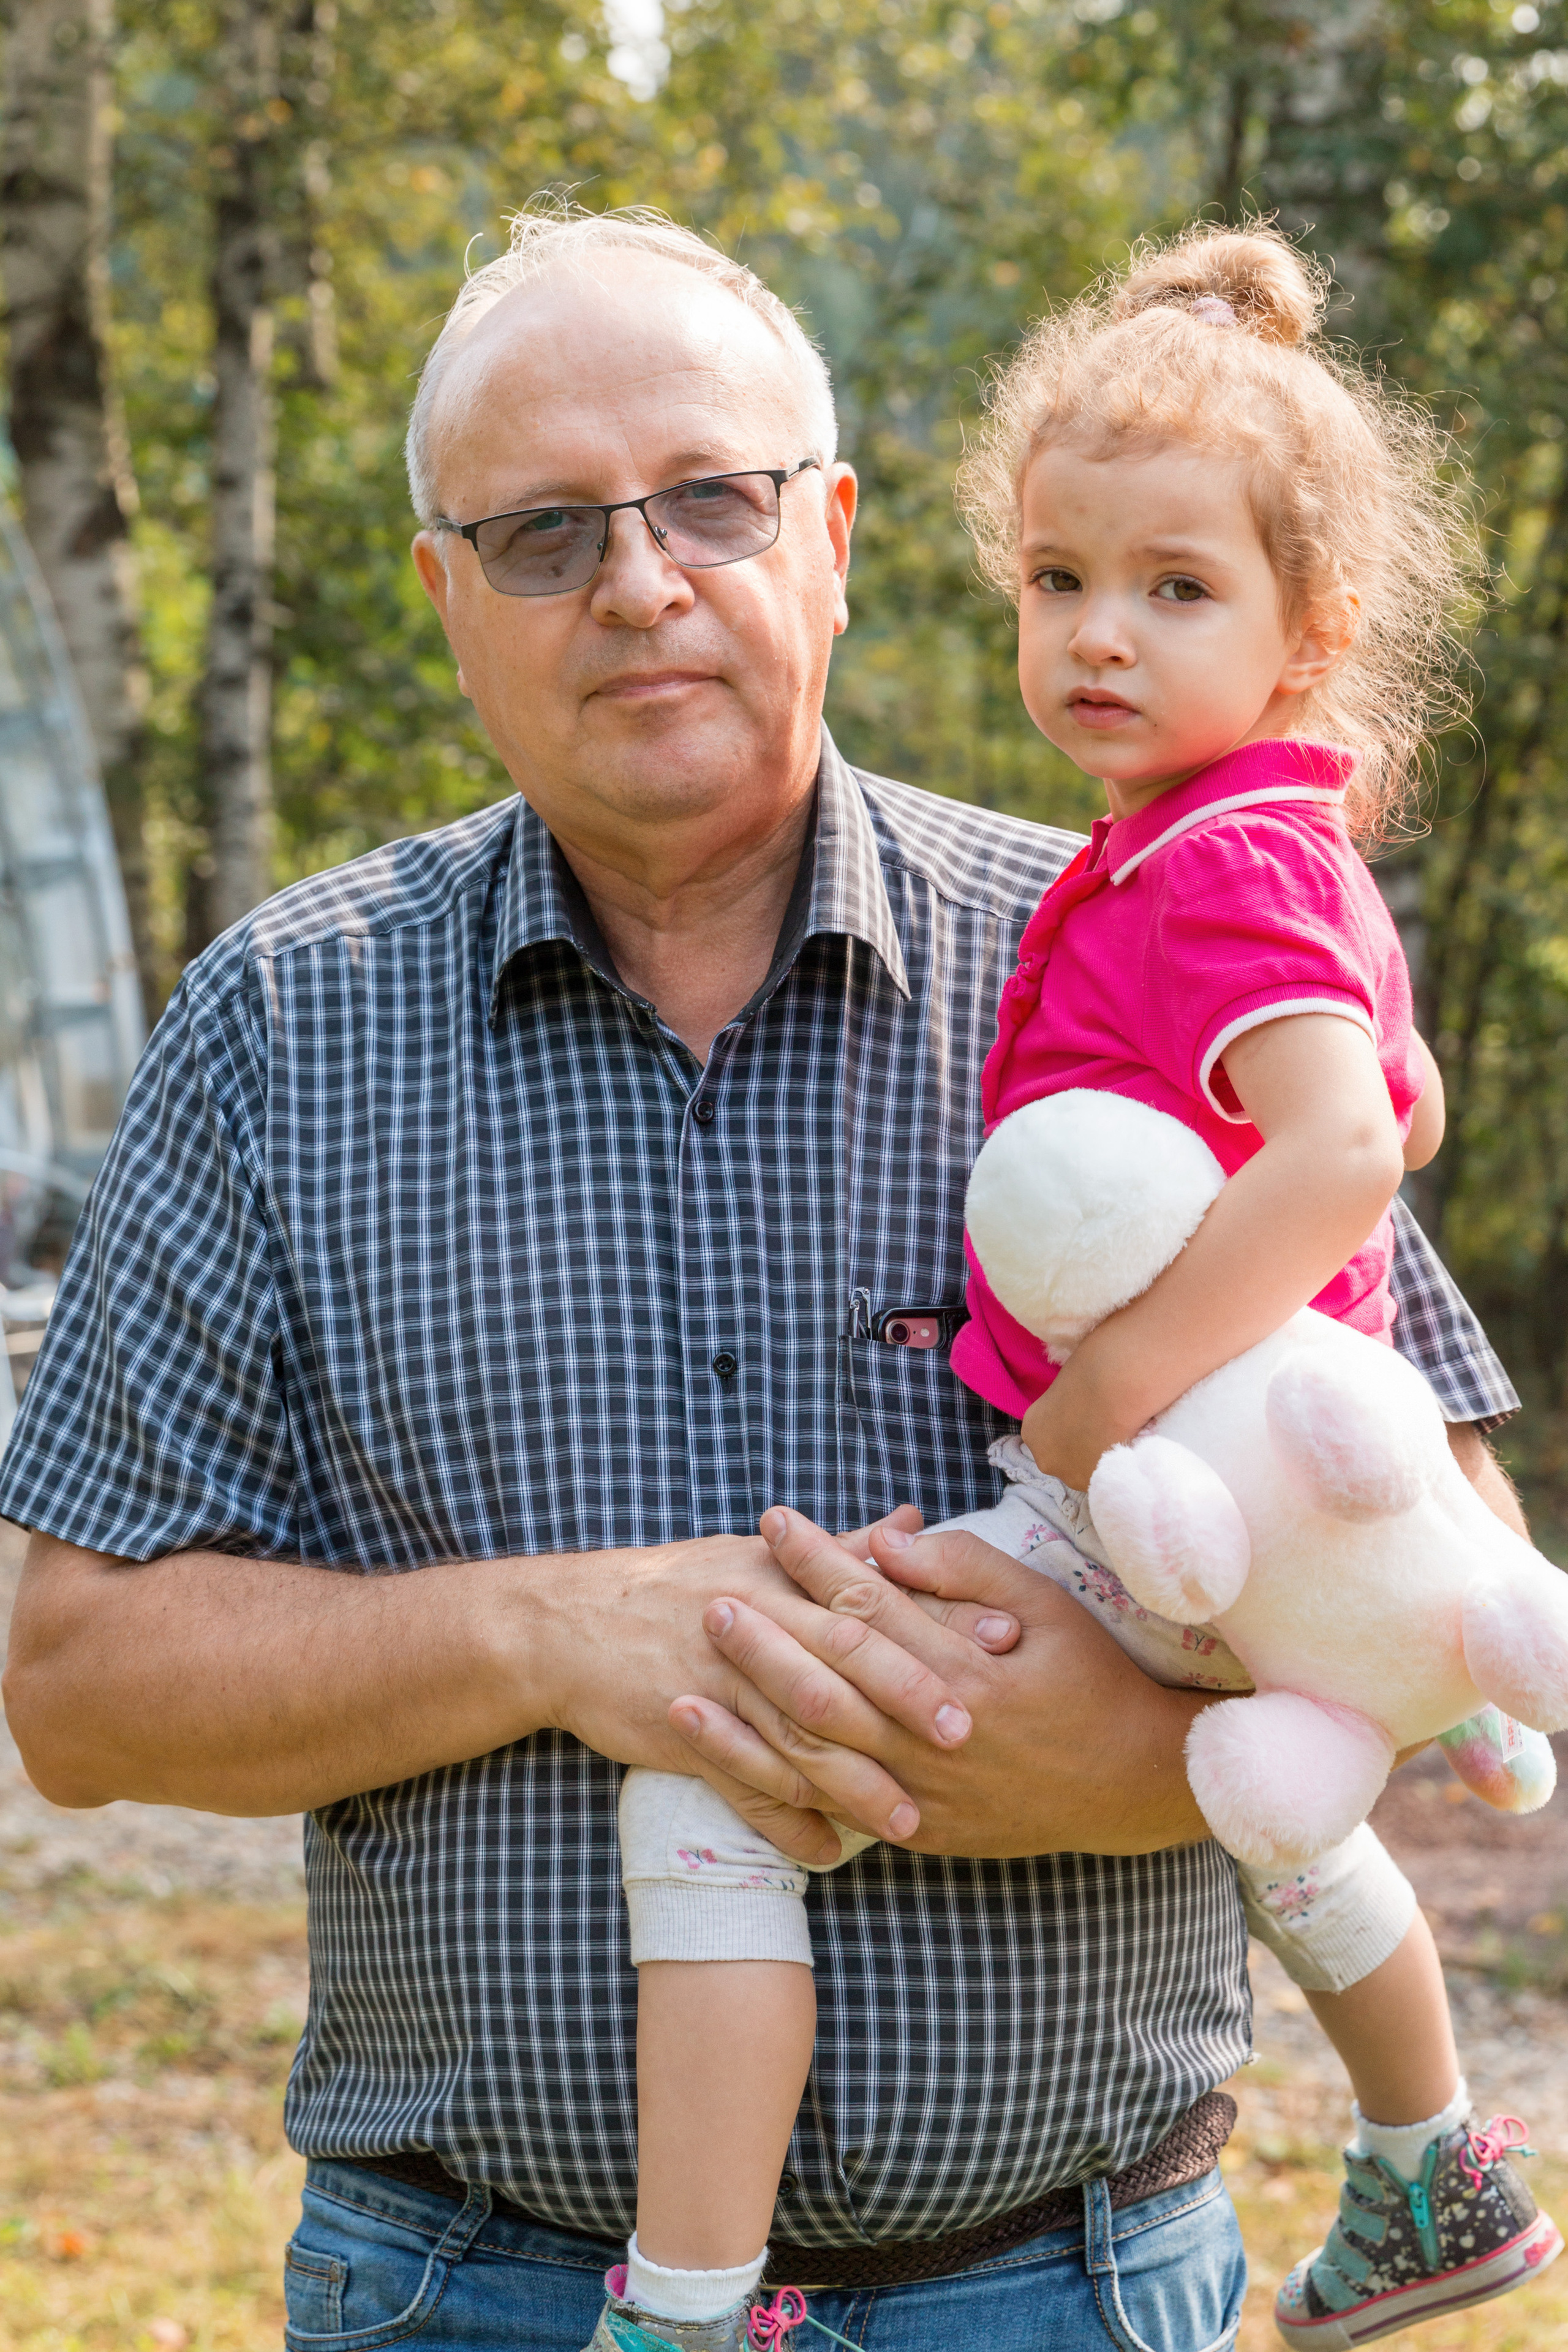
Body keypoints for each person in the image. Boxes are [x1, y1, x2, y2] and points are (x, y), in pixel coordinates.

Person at [0, 206, 1521, 2352]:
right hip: (467, 2296)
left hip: (1073, 2289)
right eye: (540, 534)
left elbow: (1449, 1543)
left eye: (713, 499)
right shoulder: (280, 1025)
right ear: (444, 598)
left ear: (833, 536)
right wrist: (549, 1636)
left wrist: (1137, 1743)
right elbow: (73, 1687)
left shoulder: (1134, 940)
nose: (640, 583)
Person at [606, 225, 1561, 2352]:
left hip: (1175, 1470)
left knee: (701, 1779)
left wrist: (1104, 1389)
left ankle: (682, 2312)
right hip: (1267, 1483)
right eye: (1059, 582)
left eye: (1176, 591)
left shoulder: (1221, 860)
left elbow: (1340, 1153)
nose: (1098, 637)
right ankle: (1429, 2156)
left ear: (1309, 637)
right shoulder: (1203, 847)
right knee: (1277, 1789)